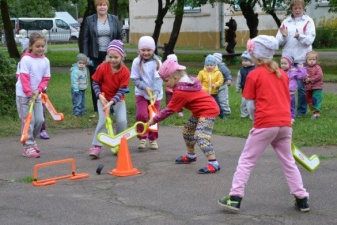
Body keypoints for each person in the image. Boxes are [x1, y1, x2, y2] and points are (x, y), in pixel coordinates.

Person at [218, 35, 310, 213]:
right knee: (288, 162)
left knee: (246, 160)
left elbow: (251, 105)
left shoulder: (254, 75)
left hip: (265, 124)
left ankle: (235, 198)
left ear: (255, 55)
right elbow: (286, 98)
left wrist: (255, 121)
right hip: (284, 124)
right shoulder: (282, 74)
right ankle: (302, 198)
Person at [147, 59, 221, 174]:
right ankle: (191, 155)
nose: (165, 83)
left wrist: (153, 120)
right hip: (199, 111)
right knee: (187, 131)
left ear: (175, 78)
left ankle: (213, 163)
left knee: (201, 136)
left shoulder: (181, 91)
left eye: (166, 80)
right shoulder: (187, 83)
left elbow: (169, 110)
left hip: (208, 110)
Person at [89, 40, 130, 159]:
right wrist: (100, 96)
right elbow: (95, 83)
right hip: (103, 98)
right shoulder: (102, 67)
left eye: (116, 57)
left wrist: (112, 102)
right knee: (103, 120)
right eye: (110, 57)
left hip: (118, 99)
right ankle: (96, 146)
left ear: (122, 56)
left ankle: (120, 143)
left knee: (122, 121)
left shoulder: (125, 72)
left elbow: (122, 90)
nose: (112, 60)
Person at [276, 0, 316, 117]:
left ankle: (301, 111)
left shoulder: (308, 21)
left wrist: (299, 36)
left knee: (301, 86)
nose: (297, 10)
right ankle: (286, 109)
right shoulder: (286, 22)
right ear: (291, 9)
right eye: (295, 8)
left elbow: (309, 40)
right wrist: (283, 36)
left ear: (303, 8)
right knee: (285, 86)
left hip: (302, 58)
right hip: (287, 60)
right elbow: (278, 41)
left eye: (299, 8)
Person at [82, 0, 122, 113]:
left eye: (104, 5)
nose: (102, 7)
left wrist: (119, 52)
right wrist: (86, 56)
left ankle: (112, 107)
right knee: (96, 80)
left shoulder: (114, 19)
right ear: (96, 7)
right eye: (99, 5)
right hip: (94, 55)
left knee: (111, 80)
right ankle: (97, 108)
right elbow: (85, 39)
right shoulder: (90, 20)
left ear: (107, 6)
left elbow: (119, 37)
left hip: (111, 55)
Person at [15, 32, 51, 158]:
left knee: (40, 120)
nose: (40, 48)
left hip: (36, 95)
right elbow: (24, 78)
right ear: (31, 46)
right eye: (37, 46)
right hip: (24, 95)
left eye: (42, 46)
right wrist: (29, 94)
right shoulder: (26, 59)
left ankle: (32, 140)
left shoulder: (45, 61)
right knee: (28, 121)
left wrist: (39, 90)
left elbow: (46, 78)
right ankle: (27, 146)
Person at [130, 36, 163, 150]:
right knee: (141, 114)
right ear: (139, 50)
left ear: (153, 50)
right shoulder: (136, 62)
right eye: (143, 50)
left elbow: (159, 79)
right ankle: (142, 137)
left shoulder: (157, 61)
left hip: (155, 95)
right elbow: (135, 79)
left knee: (154, 117)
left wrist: (156, 92)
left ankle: (153, 139)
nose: (146, 53)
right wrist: (145, 88)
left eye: (149, 50)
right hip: (141, 93)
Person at [280, 55, 307, 123]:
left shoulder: (293, 70)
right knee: (283, 104)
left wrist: (301, 69)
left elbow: (302, 76)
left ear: (290, 63)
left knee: (291, 104)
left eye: (285, 63)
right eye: (282, 63)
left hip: (291, 92)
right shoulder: (279, 71)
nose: (283, 65)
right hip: (282, 92)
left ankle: (292, 117)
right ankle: (284, 116)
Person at [303, 51, 323, 119]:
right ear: (306, 60)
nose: (312, 61)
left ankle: (317, 112)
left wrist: (310, 79)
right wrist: (304, 79)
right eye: (310, 59)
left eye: (313, 59)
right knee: (309, 99)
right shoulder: (305, 68)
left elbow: (319, 76)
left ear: (316, 60)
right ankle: (313, 111)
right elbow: (302, 76)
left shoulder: (317, 68)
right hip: (308, 87)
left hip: (317, 87)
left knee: (315, 99)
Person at [236, 51, 255, 119]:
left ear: (252, 61)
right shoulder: (241, 70)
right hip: (244, 90)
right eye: (243, 61)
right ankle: (244, 114)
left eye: (246, 61)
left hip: (253, 91)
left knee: (252, 104)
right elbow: (239, 79)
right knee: (243, 103)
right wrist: (238, 88)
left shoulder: (255, 70)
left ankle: (252, 115)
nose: (244, 62)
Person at [213, 53, 233, 119]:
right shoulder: (210, 67)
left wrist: (229, 80)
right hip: (214, 86)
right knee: (214, 99)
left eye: (215, 61)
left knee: (223, 99)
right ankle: (215, 110)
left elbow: (228, 74)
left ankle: (226, 111)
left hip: (222, 85)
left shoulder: (222, 67)